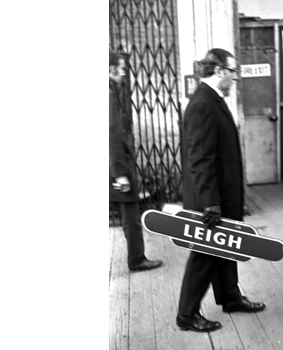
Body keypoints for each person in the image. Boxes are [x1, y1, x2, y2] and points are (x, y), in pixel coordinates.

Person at [176, 48, 265, 333]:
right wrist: (210, 203)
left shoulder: (212, 99)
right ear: (219, 71)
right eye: (232, 72)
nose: (235, 78)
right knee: (205, 252)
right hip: (211, 200)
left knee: (226, 246)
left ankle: (230, 297)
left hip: (220, 196)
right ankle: (186, 314)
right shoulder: (203, 103)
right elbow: (200, 159)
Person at [109, 51, 163, 273]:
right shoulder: (108, 96)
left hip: (113, 166)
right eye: (120, 69)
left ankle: (136, 257)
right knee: (131, 215)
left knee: (127, 214)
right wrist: (120, 174)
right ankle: (137, 260)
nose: (123, 74)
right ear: (109, 70)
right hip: (117, 167)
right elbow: (111, 137)